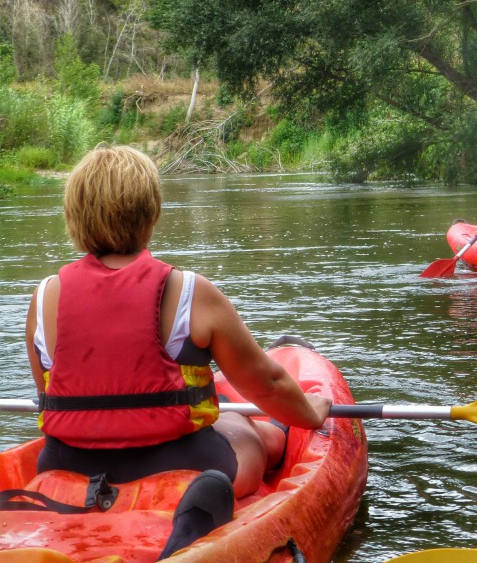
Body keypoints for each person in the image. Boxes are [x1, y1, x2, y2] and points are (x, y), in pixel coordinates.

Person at [24, 145, 332, 553]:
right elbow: (269, 385)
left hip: (66, 465)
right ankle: (200, 515)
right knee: (245, 431)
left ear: (73, 217)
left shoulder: (44, 298)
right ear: (151, 213)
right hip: (179, 462)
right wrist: (311, 414)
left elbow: (48, 394)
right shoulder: (188, 291)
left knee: (226, 422)